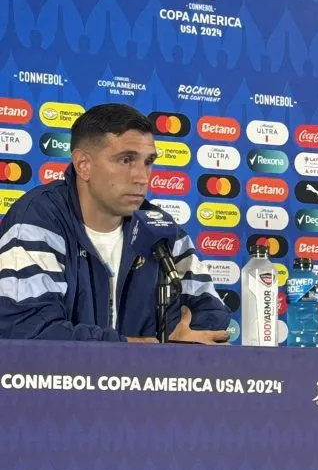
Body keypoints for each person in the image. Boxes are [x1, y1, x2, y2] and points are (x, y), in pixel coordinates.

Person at [0, 103, 229, 343]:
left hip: (146, 381)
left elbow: (211, 315)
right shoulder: (39, 218)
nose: (142, 177)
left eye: (148, 162)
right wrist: (135, 349)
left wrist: (174, 346)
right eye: (126, 160)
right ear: (83, 165)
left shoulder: (161, 229)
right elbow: (27, 330)